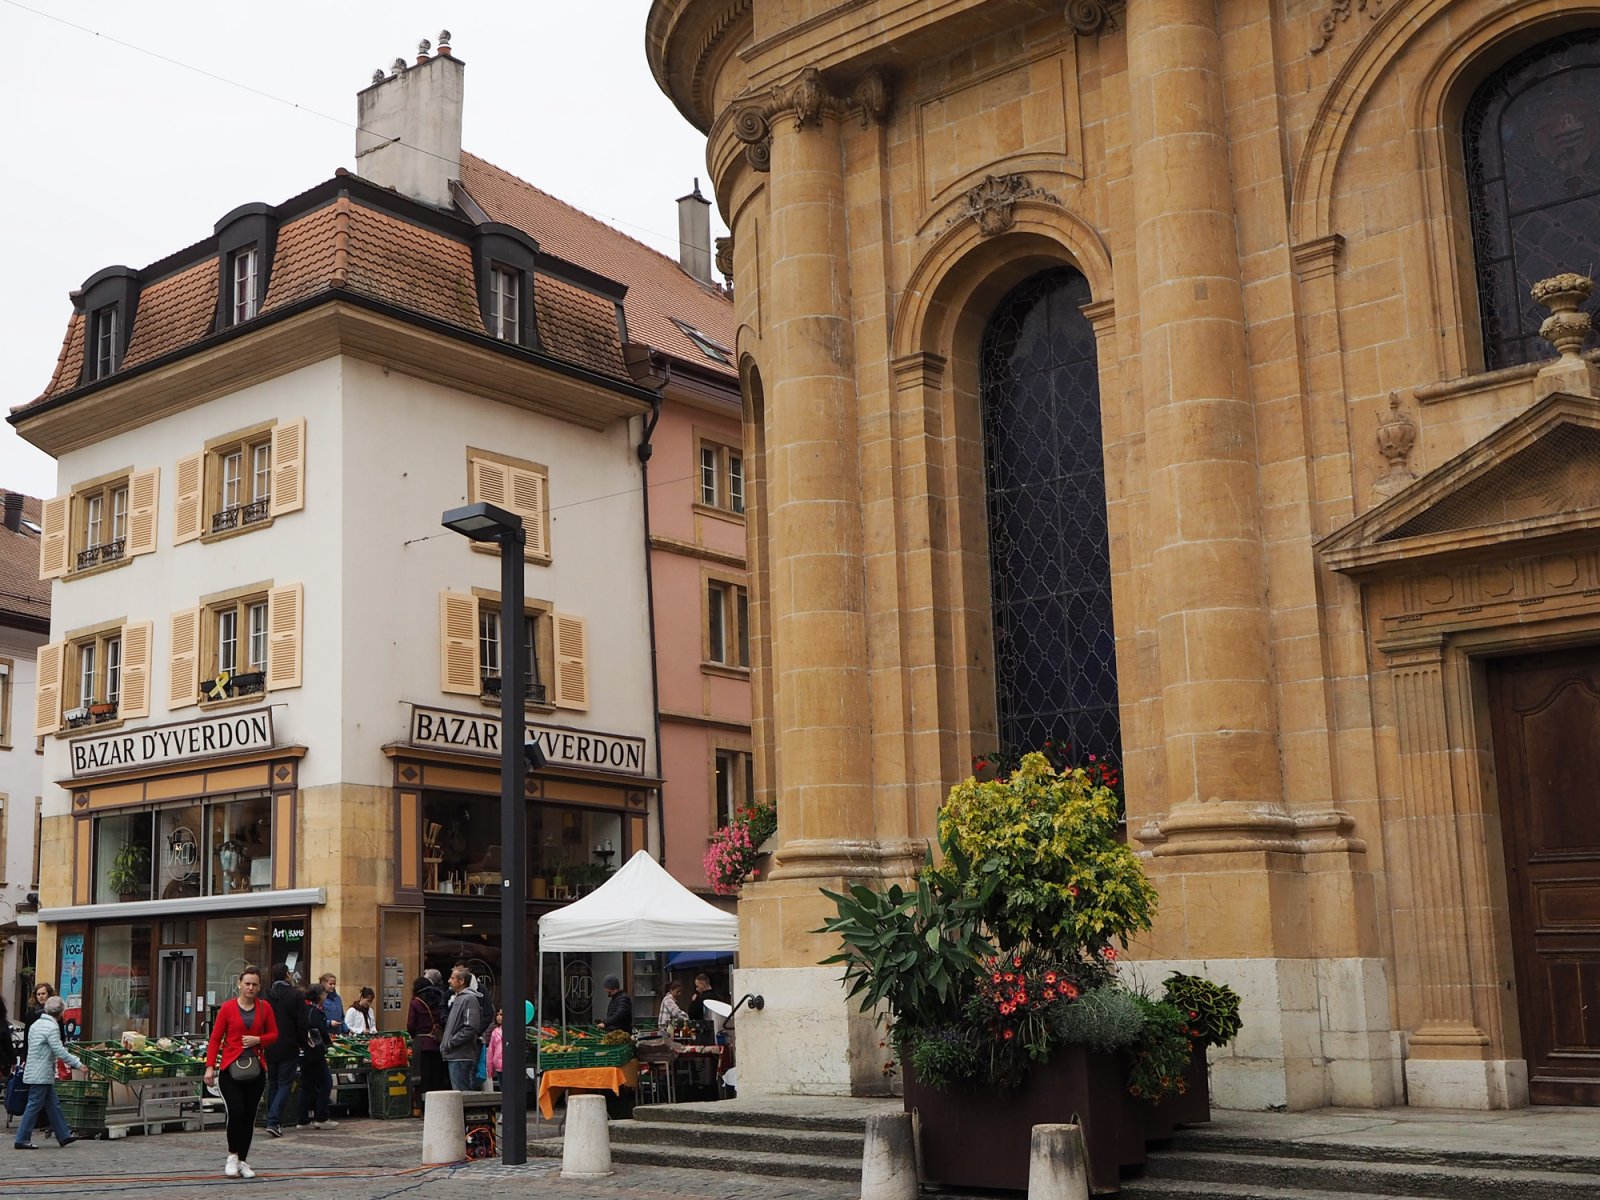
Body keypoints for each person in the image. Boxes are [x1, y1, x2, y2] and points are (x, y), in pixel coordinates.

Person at [202, 965, 278, 1179]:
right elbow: (216, 1038)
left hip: (256, 1069)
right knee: (236, 1112)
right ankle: (232, 1155)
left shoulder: (265, 1008)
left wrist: (259, 1040)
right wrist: (210, 1066)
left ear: (259, 986)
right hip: (230, 1069)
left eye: (254, 984)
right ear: (239, 984)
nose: (250, 988)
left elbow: (274, 1034)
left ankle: (243, 1160)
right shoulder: (227, 1008)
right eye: (247, 984)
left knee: (249, 1116)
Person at [13, 995, 84, 1151]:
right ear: (60, 1013)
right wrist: (77, 1063)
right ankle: (22, 1138)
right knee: (34, 1105)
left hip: (35, 1069)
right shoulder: (51, 1028)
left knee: (53, 1104)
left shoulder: (36, 1024)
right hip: (42, 1073)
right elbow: (58, 1050)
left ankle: (63, 1135)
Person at [261, 962, 305, 1138]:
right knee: (284, 1083)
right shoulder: (295, 995)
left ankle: (272, 1119)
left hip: (269, 1044)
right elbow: (302, 1023)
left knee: (273, 1082)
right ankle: (273, 1119)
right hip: (288, 1044)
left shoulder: (266, 995)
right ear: (287, 975)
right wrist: (302, 1042)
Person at [440, 967, 485, 1091]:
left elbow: (470, 1027)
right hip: (455, 1054)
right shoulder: (459, 998)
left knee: (461, 1094)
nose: (449, 981)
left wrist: (451, 1042)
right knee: (458, 1093)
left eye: (453, 978)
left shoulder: (469, 999)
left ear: (461, 981)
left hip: (461, 1055)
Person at [299, 984, 336, 1129]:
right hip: (315, 1053)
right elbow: (320, 1031)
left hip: (305, 1052)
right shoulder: (315, 1012)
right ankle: (321, 1116)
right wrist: (328, 1042)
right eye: (324, 994)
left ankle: (302, 1118)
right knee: (326, 1082)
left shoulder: (304, 1009)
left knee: (306, 1085)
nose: (326, 996)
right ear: (319, 996)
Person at [407, 975, 448, 1100]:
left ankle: (420, 1106)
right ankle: (437, 1105)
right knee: (437, 1077)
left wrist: (414, 1034)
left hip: (422, 1044)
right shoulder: (440, 998)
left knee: (421, 1077)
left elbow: (411, 1025)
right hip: (438, 1042)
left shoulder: (416, 1002)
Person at [485, 1008, 504, 1092]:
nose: (499, 1017)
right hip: (499, 1066)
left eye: (501, 1015)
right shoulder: (495, 1032)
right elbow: (491, 1051)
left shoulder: (513, 1031)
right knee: (503, 1089)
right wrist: (490, 1069)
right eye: (497, 1014)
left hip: (509, 1065)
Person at [0, 994, 16, 1078]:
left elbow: (7, 1043)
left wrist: (12, 1060)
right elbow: (7, 1043)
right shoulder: (2, 1022)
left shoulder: (2, 1022)